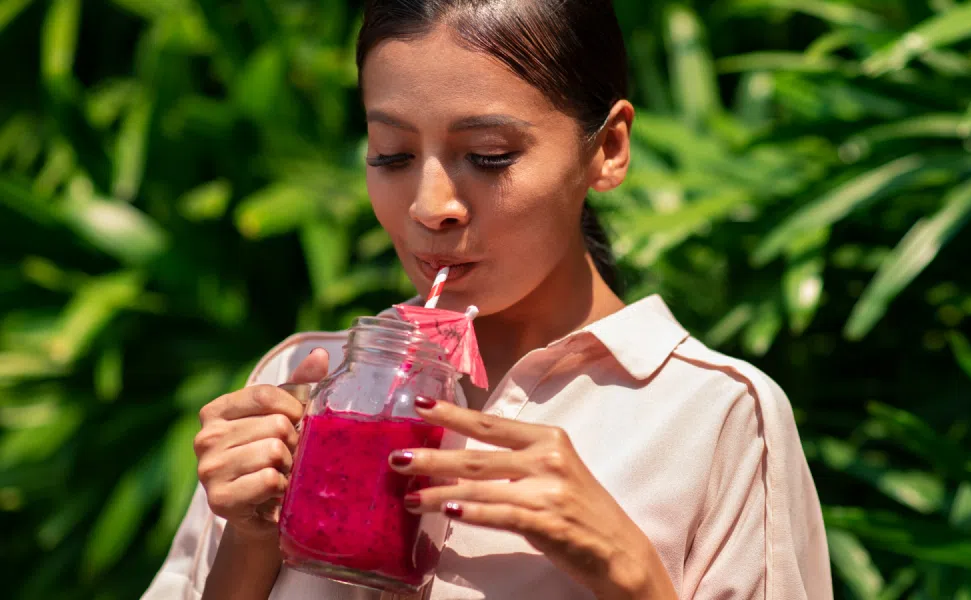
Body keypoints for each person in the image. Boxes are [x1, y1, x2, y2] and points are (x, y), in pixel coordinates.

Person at [142, 1, 833, 598]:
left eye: (491, 154)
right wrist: (252, 539)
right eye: (391, 154)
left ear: (609, 148)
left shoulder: (715, 418)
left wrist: (630, 574)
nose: (429, 205)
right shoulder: (304, 385)